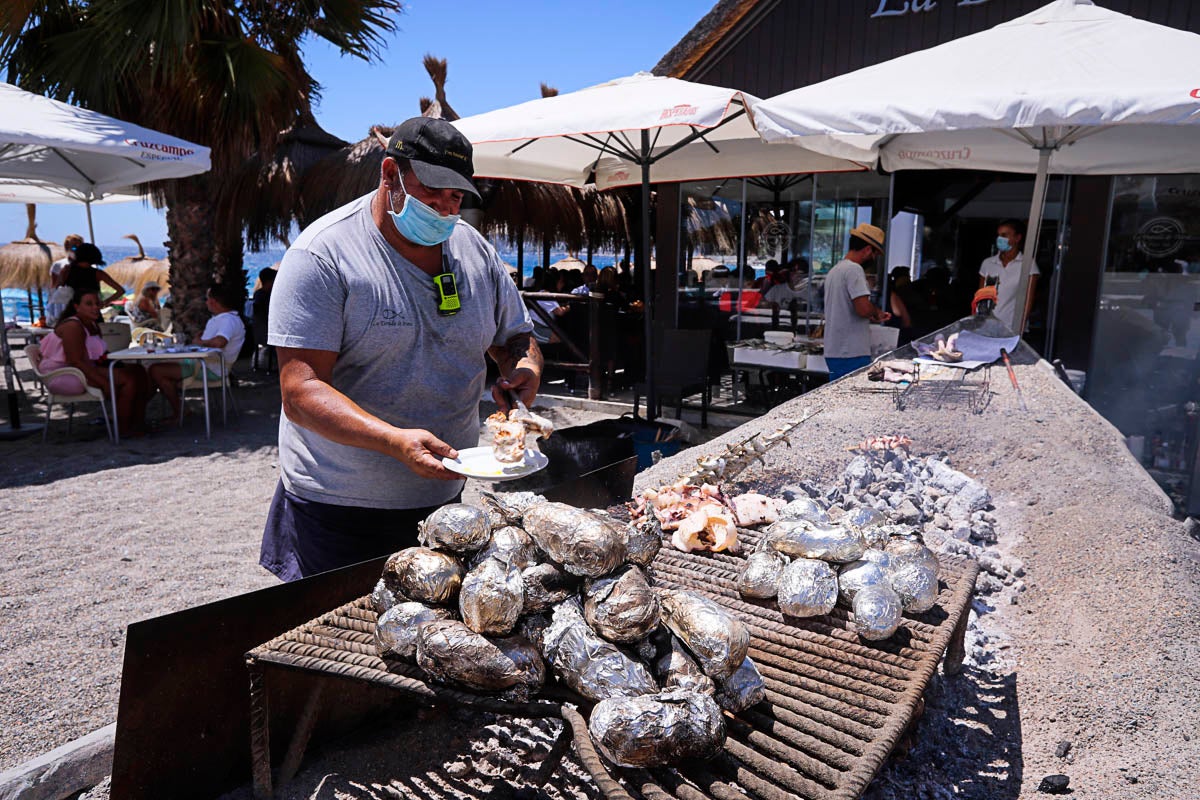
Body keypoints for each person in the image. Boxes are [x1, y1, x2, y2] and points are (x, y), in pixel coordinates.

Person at [259, 116, 541, 582]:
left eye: (456, 196)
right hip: (339, 508)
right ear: (390, 173)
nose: (446, 208)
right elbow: (301, 391)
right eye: (433, 192)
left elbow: (515, 336)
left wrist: (523, 368)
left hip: (444, 500)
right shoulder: (323, 256)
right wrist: (393, 440)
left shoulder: (473, 249)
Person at [38, 289, 151, 436]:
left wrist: (119, 365)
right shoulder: (73, 326)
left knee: (139, 371)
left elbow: (99, 355)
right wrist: (104, 383)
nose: (95, 307)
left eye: (97, 303)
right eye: (89, 304)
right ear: (76, 307)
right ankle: (123, 428)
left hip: (83, 367)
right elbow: (75, 361)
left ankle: (137, 422)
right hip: (63, 373)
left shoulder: (92, 324)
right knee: (127, 380)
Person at [147, 284, 246, 420]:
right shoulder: (226, 318)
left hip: (207, 368)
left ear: (213, 301)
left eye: (207, 299)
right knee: (157, 369)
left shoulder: (227, 320)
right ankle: (151, 411)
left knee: (155, 370)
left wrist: (200, 342)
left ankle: (179, 412)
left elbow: (220, 342)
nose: (206, 302)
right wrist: (201, 340)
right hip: (204, 364)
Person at [823, 223, 891, 380]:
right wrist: (876, 313)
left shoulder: (835, 270)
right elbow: (863, 309)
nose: (873, 258)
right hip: (850, 351)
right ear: (867, 249)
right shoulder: (854, 270)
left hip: (836, 350)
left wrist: (873, 314)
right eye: (874, 254)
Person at [978, 219, 1039, 333]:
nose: (1000, 239)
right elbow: (981, 297)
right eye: (999, 235)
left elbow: (1028, 299)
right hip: (987, 325)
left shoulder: (1027, 264)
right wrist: (978, 320)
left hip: (1011, 326)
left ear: (1017, 238)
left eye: (1004, 235)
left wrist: (1020, 326)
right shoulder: (988, 263)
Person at [54, 243, 126, 308]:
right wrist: (104, 303)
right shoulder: (98, 273)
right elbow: (120, 290)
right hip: (92, 310)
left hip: (73, 310)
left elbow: (57, 288)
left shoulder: (68, 270)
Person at [47, 234, 84, 324]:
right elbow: (54, 287)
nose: (76, 249)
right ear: (67, 247)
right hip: (64, 302)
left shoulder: (86, 265)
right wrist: (62, 276)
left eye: (80, 246)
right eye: (74, 247)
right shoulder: (59, 265)